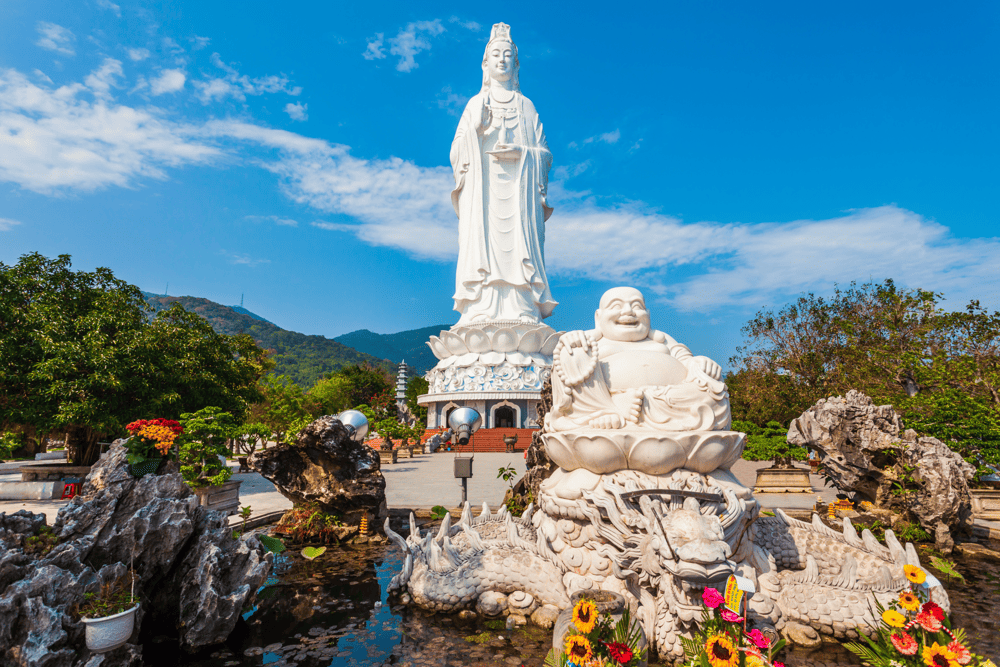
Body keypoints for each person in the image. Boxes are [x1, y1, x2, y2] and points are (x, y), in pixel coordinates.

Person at [450, 23, 557, 324]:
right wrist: (475, 130)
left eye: (507, 54)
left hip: (518, 196)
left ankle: (522, 306)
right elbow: (456, 152)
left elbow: (545, 154)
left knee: (519, 249)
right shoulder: (475, 104)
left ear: (516, 63)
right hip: (483, 195)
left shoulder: (526, 107)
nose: (502, 60)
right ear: (485, 64)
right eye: (495, 54)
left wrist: (522, 154)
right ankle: (481, 306)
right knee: (482, 246)